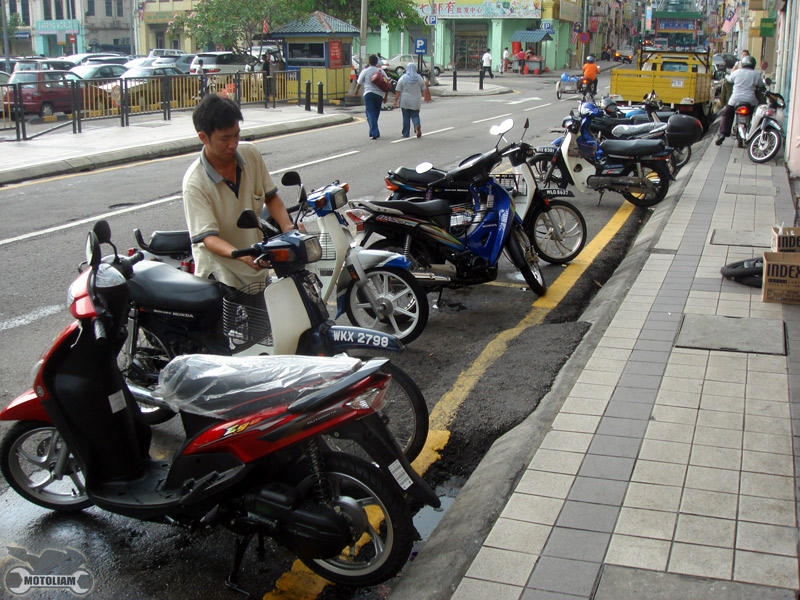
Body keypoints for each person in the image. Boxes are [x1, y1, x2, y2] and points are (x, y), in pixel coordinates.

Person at [182, 94, 296, 290]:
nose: (233, 144)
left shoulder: (250, 154)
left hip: (255, 269)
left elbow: (271, 197)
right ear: (203, 137)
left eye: (236, 135)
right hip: (220, 275)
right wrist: (242, 256)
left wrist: (288, 229)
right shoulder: (195, 183)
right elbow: (208, 238)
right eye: (225, 138)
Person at [715, 54, 763, 145]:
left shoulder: (736, 72)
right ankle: (754, 133)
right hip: (751, 100)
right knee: (755, 115)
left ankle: (722, 134)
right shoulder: (756, 74)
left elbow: (729, 80)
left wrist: (725, 76)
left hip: (735, 99)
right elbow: (761, 85)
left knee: (727, 115)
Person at [354, 54, 384, 140]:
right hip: (379, 95)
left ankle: (374, 132)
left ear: (369, 62)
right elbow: (387, 82)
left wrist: (356, 91)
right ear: (376, 62)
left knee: (370, 113)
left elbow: (359, 83)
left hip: (368, 94)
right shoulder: (381, 71)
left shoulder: (365, 71)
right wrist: (385, 96)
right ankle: (373, 131)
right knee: (375, 114)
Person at [393, 62, 425, 138]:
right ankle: (417, 125)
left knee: (406, 117)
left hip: (405, 100)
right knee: (415, 115)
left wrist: (395, 100)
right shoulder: (419, 78)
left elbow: (398, 90)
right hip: (416, 100)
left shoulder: (403, 78)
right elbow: (423, 88)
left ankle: (405, 133)